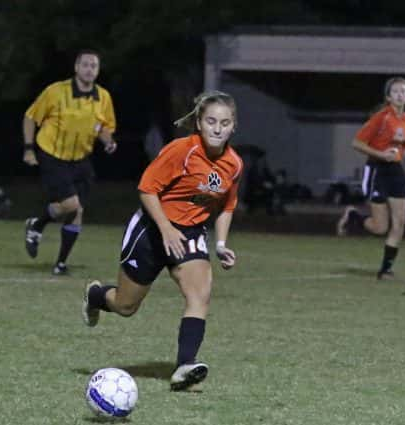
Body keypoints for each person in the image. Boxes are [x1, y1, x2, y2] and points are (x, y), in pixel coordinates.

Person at [82, 91, 243, 391]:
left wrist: (220, 245)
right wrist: (166, 228)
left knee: (200, 296)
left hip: (191, 233)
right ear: (198, 122)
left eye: (224, 122)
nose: (217, 128)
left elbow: (226, 205)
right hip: (150, 230)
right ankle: (96, 295)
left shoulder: (233, 164)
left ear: (234, 126)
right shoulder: (181, 150)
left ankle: (185, 366)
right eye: (211, 121)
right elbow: (146, 189)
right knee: (126, 306)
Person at [22, 49, 118, 275]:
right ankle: (37, 224)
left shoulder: (103, 97)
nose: (89, 69)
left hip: (80, 160)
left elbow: (103, 126)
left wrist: (108, 141)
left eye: (94, 65)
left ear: (98, 70)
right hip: (53, 155)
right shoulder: (56, 92)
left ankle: (60, 264)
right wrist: (28, 149)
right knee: (72, 204)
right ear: (76, 68)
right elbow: (30, 117)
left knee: (77, 211)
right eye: (85, 64)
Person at [336, 77, 405, 280]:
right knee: (380, 227)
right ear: (388, 96)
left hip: (396, 171)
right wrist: (381, 154)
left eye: (404, 91)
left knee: (400, 222)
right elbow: (357, 143)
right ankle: (354, 216)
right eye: (396, 91)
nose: (401, 95)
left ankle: (385, 269)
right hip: (377, 170)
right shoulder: (381, 118)